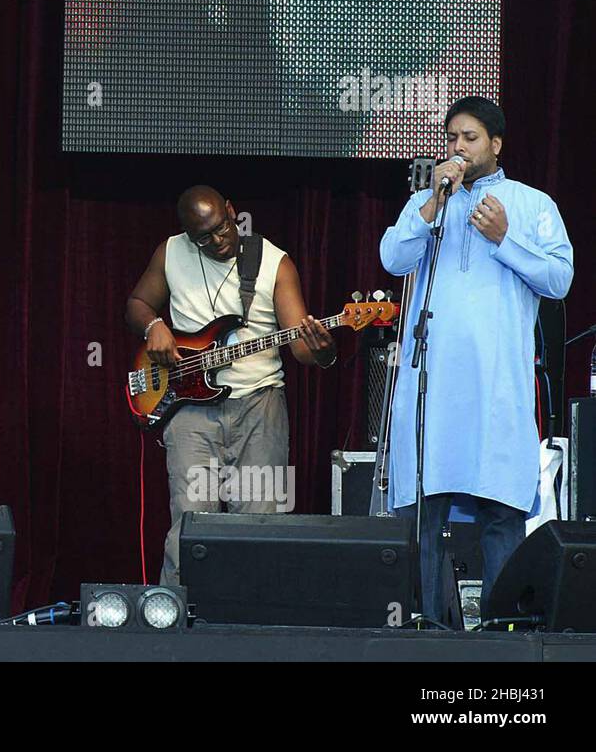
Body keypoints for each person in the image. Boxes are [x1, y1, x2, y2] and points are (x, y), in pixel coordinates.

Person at [380, 96, 573, 620]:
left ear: (495, 144)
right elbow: (393, 258)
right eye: (451, 138)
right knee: (422, 515)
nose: (457, 148)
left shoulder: (532, 205)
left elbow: (559, 280)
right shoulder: (429, 203)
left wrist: (504, 237)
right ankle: (431, 634)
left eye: (469, 138)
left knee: (500, 515)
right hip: (430, 387)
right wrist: (431, 208)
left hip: (496, 387)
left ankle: (500, 629)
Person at [125, 185, 336, 585]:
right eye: (203, 237)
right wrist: (154, 326)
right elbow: (137, 303)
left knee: (261, 523)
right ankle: (177, 628)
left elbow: (301, 349)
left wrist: (322, 351)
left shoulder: (275, 263)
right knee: (189, 524)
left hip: (259, 405)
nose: (217, 241)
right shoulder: (170, 252)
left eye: (222, 229)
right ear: (188, 235)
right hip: (188, 408)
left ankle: (250, 627)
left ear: (232, 211)